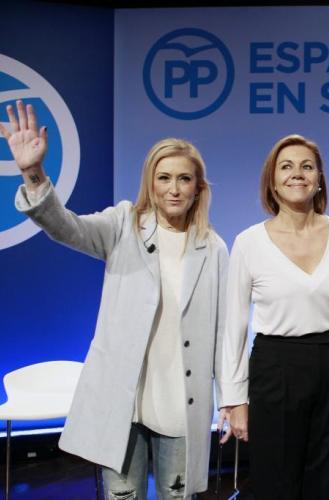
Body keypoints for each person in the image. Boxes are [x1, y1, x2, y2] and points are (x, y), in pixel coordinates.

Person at [1, 100, 228, 499]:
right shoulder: (124, 224)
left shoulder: (213, 248)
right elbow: (66, 227)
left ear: (198, 188)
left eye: (184, 179)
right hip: (122, 403)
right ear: (150, 183)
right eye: (164, 178)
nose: (174, 188)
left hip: (180, 401)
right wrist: (33, 174)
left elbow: (224, 331)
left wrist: (231, 398)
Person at [218, 134, 329, 500]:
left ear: (319, 178)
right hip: (275, 367)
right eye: (286, 167)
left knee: (324, 481)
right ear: (272, 181)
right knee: (275, 484)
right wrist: (234, 399)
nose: (297, 174)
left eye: (307, 166)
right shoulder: (248, 242)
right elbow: (233, 327)